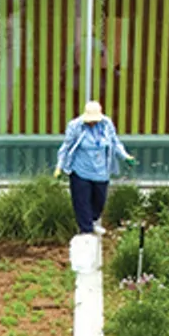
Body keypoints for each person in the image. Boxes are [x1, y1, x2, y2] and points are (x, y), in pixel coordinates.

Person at [55, 99, 133, 236]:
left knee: (99, 200)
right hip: (80, 170)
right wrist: (59, 167)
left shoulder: (106, 124)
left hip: (101, 171)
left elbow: (115, 143)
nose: (92, 122)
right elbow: (66, 147)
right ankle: (86, 230)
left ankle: (91, 222)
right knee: (82, 201)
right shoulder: (75, 126)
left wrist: (125, 156)